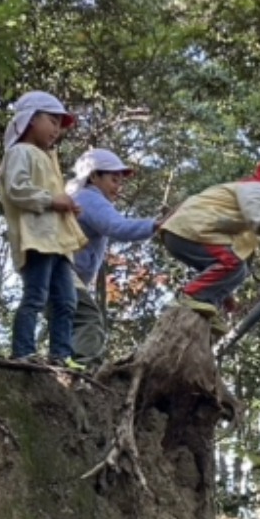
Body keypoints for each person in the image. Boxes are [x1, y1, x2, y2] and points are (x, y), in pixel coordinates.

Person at [157, 157, 260, 331]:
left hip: (181, 232)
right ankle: (192, 296)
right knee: (234, 263)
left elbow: (232, 256)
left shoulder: (243, 198)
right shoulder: (258, 188)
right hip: (193, 229)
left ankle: (204, 308)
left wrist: (225, 293)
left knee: (237, 267)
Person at [0, 91, 86, 364]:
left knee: (67, 301)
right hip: (37, 237)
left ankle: (61, 354)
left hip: (58, 240)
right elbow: (16, 189)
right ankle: (23, 351)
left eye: (60, 125)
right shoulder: (19, 152)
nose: (56, 130)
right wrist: (52, 200)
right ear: (31, 119)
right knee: (36, 296)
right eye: (52, 121)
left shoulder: (48, 158)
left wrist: (66, 205)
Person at [68, 148, 159, 363]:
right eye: (113, 179)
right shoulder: (90, 197)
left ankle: (63, 366)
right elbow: (117, 227)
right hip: (62, 271)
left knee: (67, 322)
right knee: (89, 319)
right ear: (93, 176)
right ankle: (83, 369)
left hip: (59, 271)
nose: (118, 187)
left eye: (120, 182)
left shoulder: (80, 197)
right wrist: (155, 225)